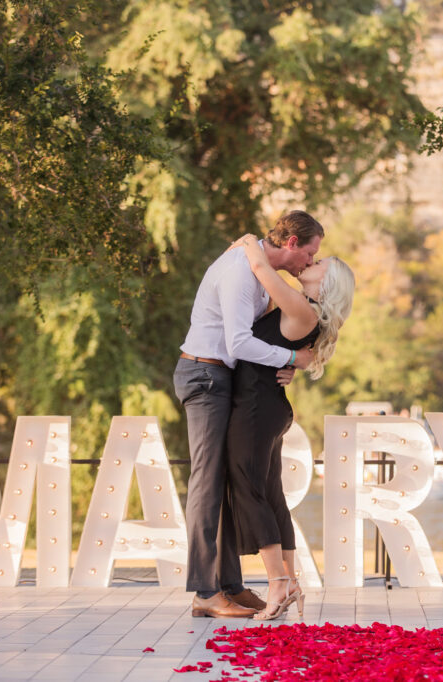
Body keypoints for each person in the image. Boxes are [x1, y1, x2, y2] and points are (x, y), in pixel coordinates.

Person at [173, 210, 323, 618]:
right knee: (207, 482)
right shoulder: (243, 270)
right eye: (310, 254)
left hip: (222, 378)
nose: (309, 263)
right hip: (205, 374)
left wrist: (285, 364)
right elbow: (239, 343)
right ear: (291, 243)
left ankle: (230, 587)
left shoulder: (258, 271)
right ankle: (206, 592)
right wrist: (292, 357)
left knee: (225, 482)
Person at [226, 232, 355, 620]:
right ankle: (291, 581)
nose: (310, 263)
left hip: (255, 408)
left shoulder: (303, 307)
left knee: (249, 489)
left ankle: (278, 585)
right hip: (267, 406)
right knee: (269, 493)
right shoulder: (306, 312)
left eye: (318, 264)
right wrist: (291, 363)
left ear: (326, 284)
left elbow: (262, 268)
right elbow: (290, 350)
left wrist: (249, 241)